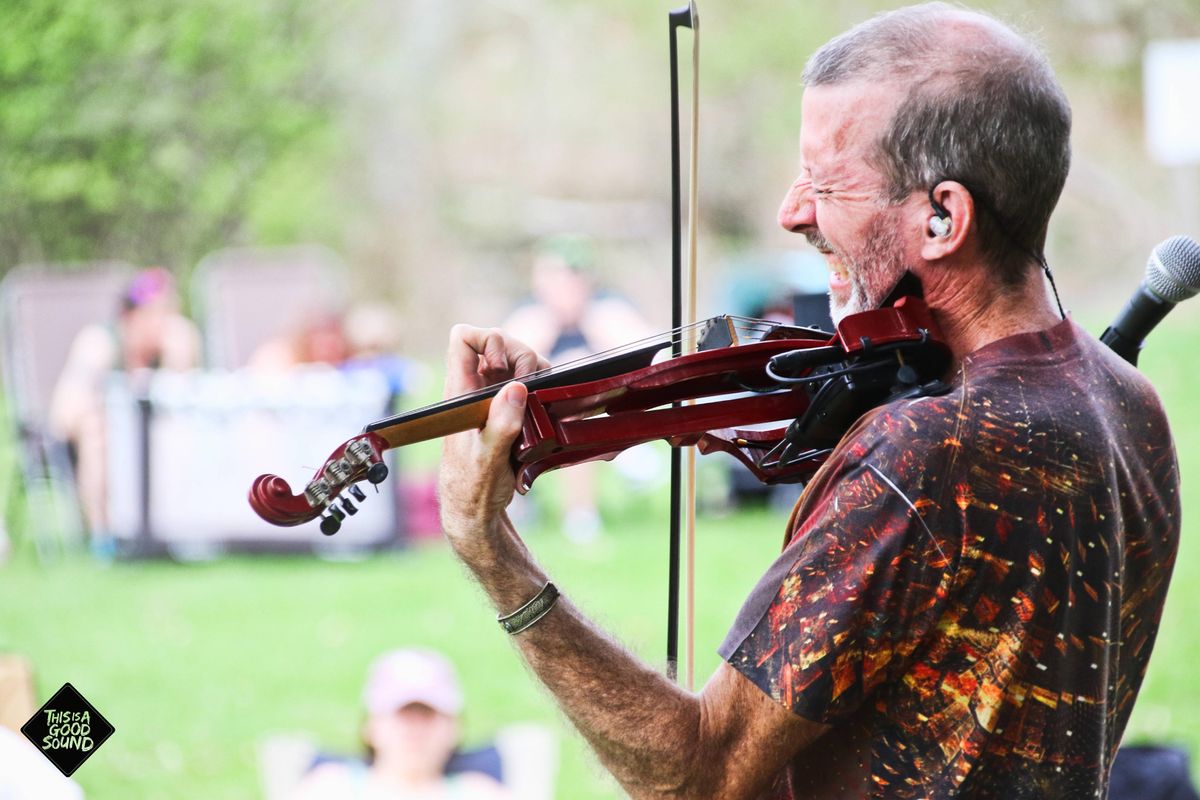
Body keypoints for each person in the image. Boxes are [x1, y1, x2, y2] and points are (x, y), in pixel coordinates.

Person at [435, 4, 1180, 799]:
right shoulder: (1129, 402)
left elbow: (701, 774)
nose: (793, 212)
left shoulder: (925, 455)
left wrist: (492, 551)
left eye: (826, 182)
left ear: (943, 218)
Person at [502, 236, 655, 542]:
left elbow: (652, 355)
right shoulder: (529, 318)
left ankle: (582, 511)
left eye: (573, 278)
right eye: (555, 278)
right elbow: (506, 377)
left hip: (602, 408)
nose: (565, 287)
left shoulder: (608, 311)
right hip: (538, 414)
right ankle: (567, 510)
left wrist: (596, 330)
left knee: (577, 400)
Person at [48, 267, 201, 535]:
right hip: (96, 443)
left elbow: (190, 405)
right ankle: (105, 534)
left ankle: (179, 529)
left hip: (158, 444)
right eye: (155, 314)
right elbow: (64, 417)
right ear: (130, 315)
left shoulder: (172, 344)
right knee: (96, 428)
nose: (163, 323)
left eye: (169, 313)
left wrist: (178, 363)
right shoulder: (99, 343)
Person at [290, 648, 510, 799]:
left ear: (454, 729)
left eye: (428, 715)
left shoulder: (480, 793)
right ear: (371, 727)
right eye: (402, 715)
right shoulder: (330, 787)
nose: (415, 730)